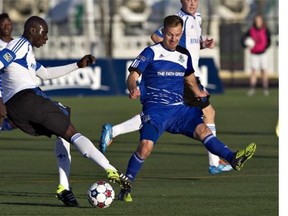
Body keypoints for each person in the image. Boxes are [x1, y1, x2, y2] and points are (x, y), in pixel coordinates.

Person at [117, 15, 256, 202]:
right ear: (163, 32)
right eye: (169, 35)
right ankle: (126, 186)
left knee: (203, 130)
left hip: (180, 110)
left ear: (180, 34)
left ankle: (232, 158)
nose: (173, 39)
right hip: (156, 110)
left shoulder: (184, 55)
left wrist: (200, 93)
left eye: (177, 35)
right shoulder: (151, 52)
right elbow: (133, 75)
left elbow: (190, 80)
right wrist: (133, 87)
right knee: (145, 149)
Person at [0, 16, 131, 207]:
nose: (46, 38)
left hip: (18, 109)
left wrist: (77, 65)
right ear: (33, 31)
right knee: (72, 131)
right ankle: (110, 169)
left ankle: (64, 188)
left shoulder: (26, 50)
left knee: (63, 126)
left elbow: (45, 74)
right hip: (27, 99)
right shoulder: (18, 46)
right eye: (44, 33)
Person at [100, 0, 233, 175]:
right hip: (180, 74)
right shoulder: (177, 19)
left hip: (189, 72)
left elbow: (189, 45)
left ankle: (114, 130)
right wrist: (174, 55)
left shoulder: (198, 18)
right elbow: (156, 38)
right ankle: (214, 162)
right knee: (208, 112)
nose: (192, 3)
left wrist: (202, 45)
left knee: (161, 111)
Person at [241, 14, 271, 96]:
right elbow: (243, 39)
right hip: (254, 54)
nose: (258, 22)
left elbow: (269, 41)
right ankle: (252, 89)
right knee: (253, 71)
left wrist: (264, 47)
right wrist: (245, 44)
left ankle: (265, 89)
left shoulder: (265, 30)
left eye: (259, 21)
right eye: (257, 21)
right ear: (255, 21)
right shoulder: (251, 31)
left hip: (263, 54)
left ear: (262, 22)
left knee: (264, 71)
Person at [0, 13, 15, 132]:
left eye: (9, 24)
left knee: (20, 119)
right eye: (3, 24)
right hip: (1, 89)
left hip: (15, 89)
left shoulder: (18, 45)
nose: (6, 26)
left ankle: (4, 126)